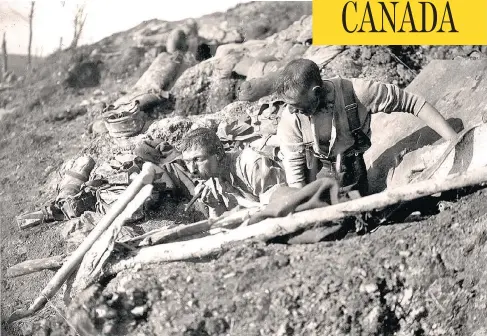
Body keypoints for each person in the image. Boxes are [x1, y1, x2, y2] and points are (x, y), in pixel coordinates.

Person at [275, 58, 458, 196]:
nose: (291, 110)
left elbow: (413, 103)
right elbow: (294, 168)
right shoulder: (291, 119)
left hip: (354, 169)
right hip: (317, 175)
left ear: (316, 92)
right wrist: (300, 203)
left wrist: (455, 142)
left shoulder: (356, 92)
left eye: (296, 104)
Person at [177, 127, 286, 217]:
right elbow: (219, 227)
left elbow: (276, 210)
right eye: (187, 162)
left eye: (197, 159)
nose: (192, 169)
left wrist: (238, 199)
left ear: (218, 153)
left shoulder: (250, 164)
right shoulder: (211, 179)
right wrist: (213, 206)